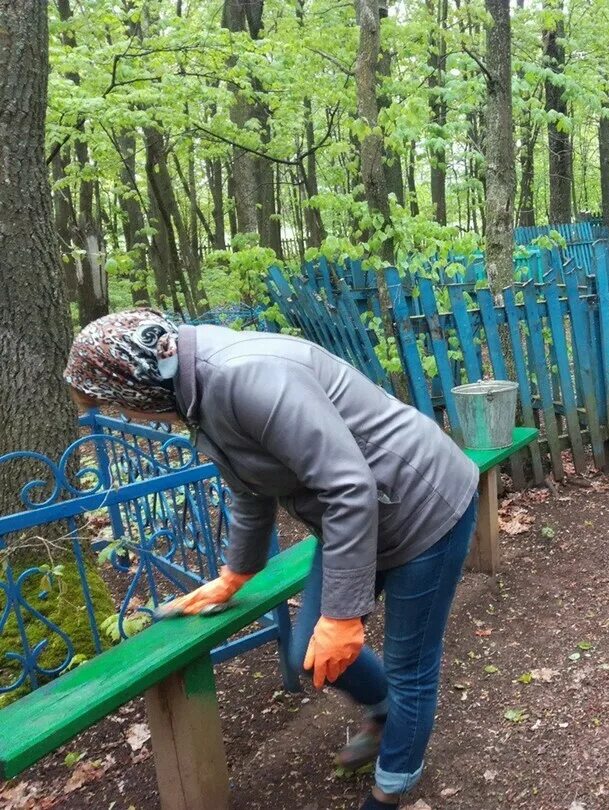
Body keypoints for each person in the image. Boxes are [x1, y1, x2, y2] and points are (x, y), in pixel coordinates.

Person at [64, 309, 479, 810]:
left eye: (119, 405)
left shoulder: (245, 375)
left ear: (137, 383)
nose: (128, 417)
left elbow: (348, 485)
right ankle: (387, 712)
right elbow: (249, 484)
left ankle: (392, 787)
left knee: (410, 666)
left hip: (423, 505)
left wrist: (344, 614)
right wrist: (237, 572)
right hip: (355, 516)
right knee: (309, 649)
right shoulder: (197, 389)